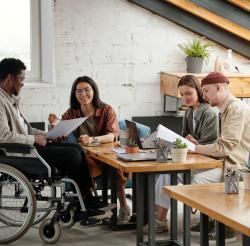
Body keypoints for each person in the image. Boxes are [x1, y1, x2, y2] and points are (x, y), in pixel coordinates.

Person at [0, 58, 106, 222]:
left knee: (76, 148)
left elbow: (24, 129)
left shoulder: (9, 99)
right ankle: (83, 203)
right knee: (73, 155)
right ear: (9, 78)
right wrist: (34, 139)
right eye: (21, 79)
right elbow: (3, 136)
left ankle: (87, 200)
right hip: (19, 154)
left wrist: (48, 134)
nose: (22, 84)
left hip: (27, 148)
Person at [48, 76, 131, 223]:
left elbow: (112, 136)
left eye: (87, 90)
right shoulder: (72, 112)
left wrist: (92, 139)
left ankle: (124, 207)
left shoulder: (106, 110)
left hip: (107, 152)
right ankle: (94, 208)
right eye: (79, 91)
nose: (83, 94)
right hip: (86, 154)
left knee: (115, 169)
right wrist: (54, 126)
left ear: (94, 91)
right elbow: (58, 138)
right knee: (82, 164)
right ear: (74, 94)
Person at [144, 75, 220, 234]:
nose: (185, 98)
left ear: (198, 91)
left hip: (210, 163)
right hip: (194, 160)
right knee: (165, 174)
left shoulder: (210, 113)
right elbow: (183, 139)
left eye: (189, 93)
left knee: (175, 174)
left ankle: (159, 218)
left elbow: (211, 147)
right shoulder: (188, 112)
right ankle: (159, 219)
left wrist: (193, 143)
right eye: (182, 95)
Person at [193, 71, 250, 242]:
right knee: (192, 174)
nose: (203, 96)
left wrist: (195, 148)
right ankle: (211, 221)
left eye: (205, 91)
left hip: (237, 166)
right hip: (226, 162)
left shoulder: (236, 109)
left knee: (198, 181)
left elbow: (225, 147)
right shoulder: (224, 109)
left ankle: (227, 228)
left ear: (218, 88)